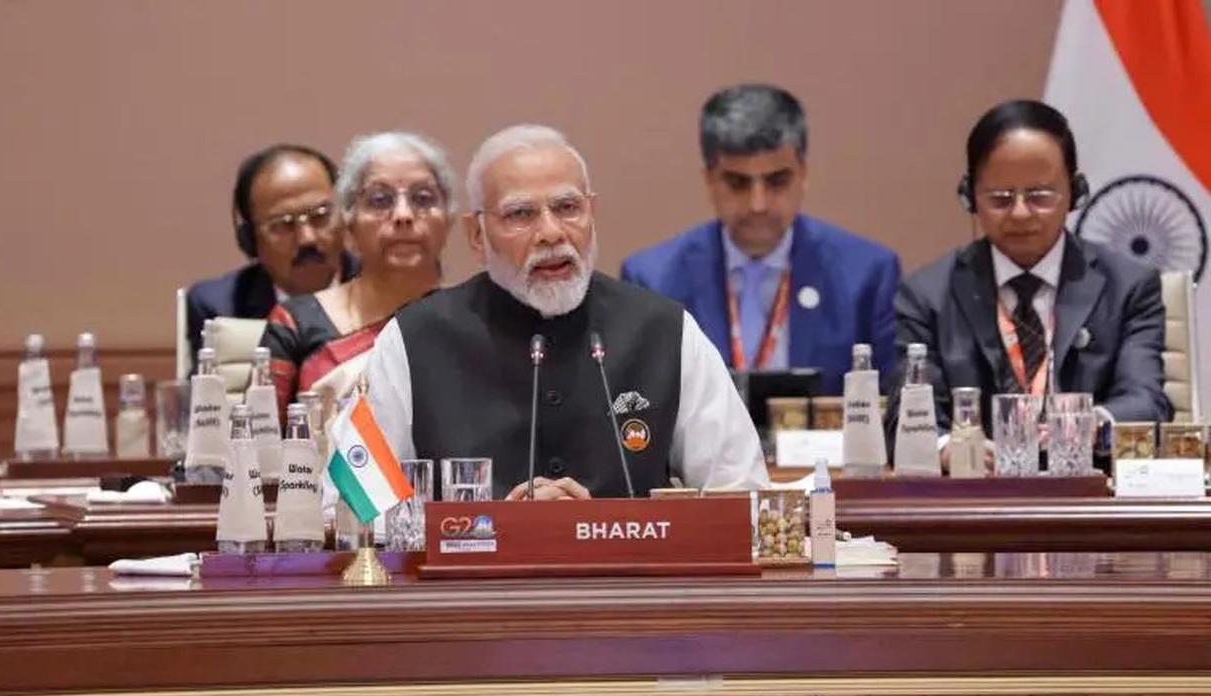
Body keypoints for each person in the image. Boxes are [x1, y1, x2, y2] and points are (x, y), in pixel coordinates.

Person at [360, 124, 768, 500]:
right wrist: (492, 530)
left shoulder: (665, 331)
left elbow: (742, 495)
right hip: (471, 579)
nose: (552, 233)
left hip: (628, 578)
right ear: (476, 235)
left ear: (593, 212)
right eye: (520, 214)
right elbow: (353, 502)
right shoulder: (413, 341)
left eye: (568, 207)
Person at [892, 99, 1170, 450]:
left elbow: (1146, 401)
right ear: (969, 198)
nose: (1021, 213)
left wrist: (1090, 425)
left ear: (1076, 193)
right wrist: (949, 448)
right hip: (975, 491)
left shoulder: (1128, 286)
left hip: (1088, 489)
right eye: (1000, 198)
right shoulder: (927, 295)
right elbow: (908, 416)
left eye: (1040, 196)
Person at [621, 84, 900, 393]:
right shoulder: (653, 281)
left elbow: (888, 408)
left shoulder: (867, 275)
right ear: (709, 180)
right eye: (737, 183)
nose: (758, 204)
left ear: (803, 174)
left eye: (777, 181)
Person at [260, 132, 453, 417]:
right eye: (380, 200)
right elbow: (255, 448)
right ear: (348, 226)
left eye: (423, 198)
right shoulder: (295, 324)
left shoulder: (472, 325)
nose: (403, 215)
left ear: (448, 220)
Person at [185, 144, 359, 369]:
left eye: (321, 216)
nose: (307, 238)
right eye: (283, 224)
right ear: (250, 239)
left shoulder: (384, 291)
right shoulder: (220, 311)